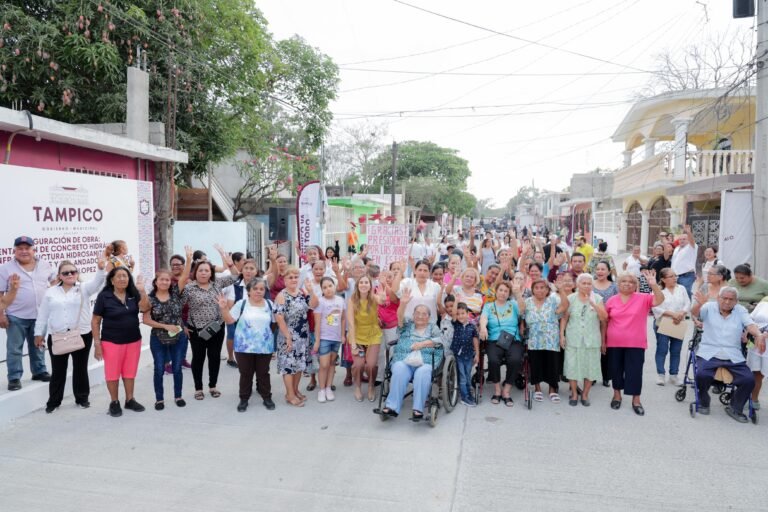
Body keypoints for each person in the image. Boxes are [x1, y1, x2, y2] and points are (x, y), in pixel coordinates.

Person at [34, 256, 108, 413]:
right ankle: (54, 402)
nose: (69, 275)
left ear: (77, 273)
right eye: (65, 273)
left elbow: (97, 282)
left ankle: (82, 398)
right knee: (58, 371)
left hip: (81, 334)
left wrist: (101, 269)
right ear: (59, 276)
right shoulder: (50, 292)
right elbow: (43, 315)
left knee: (80, 368)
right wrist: (38, 333)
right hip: (57, 336)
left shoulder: (84, 288)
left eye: (73, 272)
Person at [691, 287, 765, 422]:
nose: (727, 302)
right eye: (724, 298)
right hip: (709, 352)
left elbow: (750, 325)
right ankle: (704, 401)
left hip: (733, 355)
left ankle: (735, 407)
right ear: (718, 298)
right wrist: (699, 304)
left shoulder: (740, 310)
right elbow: (695, 314)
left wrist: (759, 335)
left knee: (749, 380)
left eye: (731, 299)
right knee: (702, 375)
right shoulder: (708, 307)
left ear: (736, 301)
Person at [181, 245, 241, 401]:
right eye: (200, 270)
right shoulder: (189, 288)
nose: (203, 273)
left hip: (216, 327)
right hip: (196, 330)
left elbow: (236, 276)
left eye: (206, 270)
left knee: (214, 358)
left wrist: (230, 264)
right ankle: (198, 388)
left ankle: (213, 386)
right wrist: (183, 325)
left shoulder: (217, 283)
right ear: (195, 272)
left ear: (211, 272)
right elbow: (178, 307)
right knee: (198, 359)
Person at [92, 267, 151, 417]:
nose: (123, 279)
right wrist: (97, 344)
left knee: (130, 372)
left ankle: (130, 400)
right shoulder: (104, 296)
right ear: (112, 280)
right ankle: (114, 402)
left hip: (133, 340)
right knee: (112, 373)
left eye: (125, 276)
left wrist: (142, 291)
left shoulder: (133, 293)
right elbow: (95, 321)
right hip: (111, 341)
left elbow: (145, 308)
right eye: (119, 276)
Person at [604, 270, 664, 416]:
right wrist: (603, 341)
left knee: (635, 371)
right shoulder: (611, 300)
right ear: (618, 284)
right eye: (624, 281)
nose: (627, 284)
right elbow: (605, 321)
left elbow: (660, 300)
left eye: (631, 282)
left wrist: (654, 285)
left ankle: (636, 400)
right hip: (614, 341)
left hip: (636, 342)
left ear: (636, 285)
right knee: (616, 370)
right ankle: (617, 395)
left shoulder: (643, 298)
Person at [0, 236, 55, 391]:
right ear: (14, 251)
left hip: (40, 315)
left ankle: (39, 371)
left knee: (38, 345)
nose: (24, 251)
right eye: (20, 248)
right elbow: (0, 293)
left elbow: (54, 281)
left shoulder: (44, 264)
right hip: (15, 316)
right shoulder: (5, 268)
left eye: (27, 248)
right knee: (14, 349)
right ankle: (14, 378)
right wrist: (1, 314)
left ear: (33, 250)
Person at [380, 291, 443, 420]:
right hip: (404, 359)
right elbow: (399, 318)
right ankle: (392, 406)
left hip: (425, 361)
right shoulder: (407, 326)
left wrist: (423, 344)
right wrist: (403, 304)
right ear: (413, 315)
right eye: (417, 313)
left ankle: (418, 409)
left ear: (429, 317)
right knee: (399, 369)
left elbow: (440, 341)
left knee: (422, 373)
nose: (420, 316)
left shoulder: (433, 328)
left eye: (424, 314)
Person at [219, 277, 276, 412]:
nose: (258, 291)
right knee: (246, 374)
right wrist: (224, 308)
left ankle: (266, 397)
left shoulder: (269, 304)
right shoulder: (242, 304)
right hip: (243, 347)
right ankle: (244, 399)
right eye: (255, 289)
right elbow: (229, 320)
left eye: (261, 289)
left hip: (264, 346)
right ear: (249, 291)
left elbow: (274, 323)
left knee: (263, 373)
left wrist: (267, 337)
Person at [142, 260, 191, 411]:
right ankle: (159, 399)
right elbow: (146, 319)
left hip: (178, 337)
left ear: (170, 282)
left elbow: (184, 277)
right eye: (161, 279)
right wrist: (165, 326)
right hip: (158, 338)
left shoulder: (176, 293)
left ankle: (178, 396)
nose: (164, 282)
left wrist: (189, 259)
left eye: (167, 280)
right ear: (156, 282)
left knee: (177, 367)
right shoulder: (150, 299)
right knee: (159, 368)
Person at [561, 273, 607, 406]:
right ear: (578, 284)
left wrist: (594, 304)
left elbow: (604, 318)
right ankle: (574, 393)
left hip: (592, 339)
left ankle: (585, 394)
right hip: (573, 338)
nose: (586, 286)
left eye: (589, 283)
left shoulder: (597, 298)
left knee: (590, 367)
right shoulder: (571, 298)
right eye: (584, 283)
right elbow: (564, 318)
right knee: (572, 366)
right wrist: (562, 335)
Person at [275, 267, 319, 407]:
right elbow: (279, 318)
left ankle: (295, 390)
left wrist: (311, 291)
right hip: (288, 337)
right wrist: (288, 337)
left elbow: (314, 305)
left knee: (299, 365)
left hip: (302, 336)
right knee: (289, 366)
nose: (294, 280)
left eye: (296, 277)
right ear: (284, 280)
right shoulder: (282, 296)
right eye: (290, 277)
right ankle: (290, 395)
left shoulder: (301, 292)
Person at [479, 281, 525, 406]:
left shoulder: (513, 304)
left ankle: (506, 390)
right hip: (494, 339)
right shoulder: (489, 306)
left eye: (506, 291)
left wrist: (518, 294)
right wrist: (483, 328)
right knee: (493, 360)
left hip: (513, 339)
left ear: (509, 294)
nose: (503, 293)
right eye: (501, 290)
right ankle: (497, 390)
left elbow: (522, 310)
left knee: (515, 359)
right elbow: (483, 318)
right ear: (496, 291)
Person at [524, 279, 569, 403]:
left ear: (547, 289)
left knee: (552, 364)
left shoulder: (553, 300)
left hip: (551, 338)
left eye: (542, 287)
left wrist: (561, 290)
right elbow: (522, 315)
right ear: (533, 290)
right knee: (536, 363)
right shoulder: (528, 302)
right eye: (536, 288)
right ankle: (537, 389)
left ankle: (552, 390)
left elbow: (565, 306)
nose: (539, 290)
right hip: (534, 338)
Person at [347, 275, 385, 402]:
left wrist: (382, 296)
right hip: (357, 336)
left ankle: (370, 386)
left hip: (373, 335)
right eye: (361, 282)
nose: (363, 285)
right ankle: (357, 387)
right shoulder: (352, 300)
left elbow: (381, 301)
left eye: (366, 282)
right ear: (357, 285)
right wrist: (353, 345)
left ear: (370, 286)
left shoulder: (373, 298)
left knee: (371, 365)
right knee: (358, 365)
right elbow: (351, 324)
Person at [651, 268, 691, 386]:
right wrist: (673, 314)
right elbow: (655, 307)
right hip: (663, 322)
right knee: (662, 349)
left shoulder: (681, 288)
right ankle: (661, 374)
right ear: (663, 279)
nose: (675, 278)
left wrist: (681, 313)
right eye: (671, 276)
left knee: (676, 350)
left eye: (675, 276)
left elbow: (687, 303)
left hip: (679, 322)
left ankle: (674, 375)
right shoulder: (658, 290)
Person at [222, 258, 261, 369]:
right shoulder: (234, 285)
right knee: (231, 334)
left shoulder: (260, 285)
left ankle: (249, 357)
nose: (248, 271)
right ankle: (231, 357)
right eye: (246, 268)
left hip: (253, 317)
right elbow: (230, 304)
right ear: (242, 270)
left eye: (251, 269)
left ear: (256, 271)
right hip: (235, 316)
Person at [313, 277, 346, 403]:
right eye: (325, 287)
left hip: (336, 338)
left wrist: (342, 335)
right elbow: (317, 323)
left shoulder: (340, 300)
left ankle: (328, 388)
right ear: (321, 290)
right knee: (324, 365)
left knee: (332, 364)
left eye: (330, 286)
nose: (328, 289)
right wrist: (317, 341)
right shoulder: (320, 302)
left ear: (334, 286)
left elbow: (343, 319)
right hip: (324, 338)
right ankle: (321, 389)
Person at [592, 261, 617, 387]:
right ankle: (592, 376)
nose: (600, 271)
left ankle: (606, 376)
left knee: (605, 348)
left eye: (603, 269)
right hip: (592, 320)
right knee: (593, 349)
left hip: (609, 321)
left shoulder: (614, 286)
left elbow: (618, 302)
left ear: (608, 271)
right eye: (598, 269)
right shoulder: (590, 284)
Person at [451, 303, 480, 407]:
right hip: (458, 355)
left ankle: (468, 394)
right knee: (462, 377)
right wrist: (456, 300)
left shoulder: (472, 327)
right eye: (458, 314)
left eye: (463, 313)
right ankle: (464, 397)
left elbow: (475, 340)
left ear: (468, 314)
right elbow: (453, 313)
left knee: (467, 376)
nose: (460, 316)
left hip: (469, 355)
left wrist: (477, 354)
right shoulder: (456, 324)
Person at [747, 297, 768, 410]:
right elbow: (751, 318)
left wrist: (764, 334)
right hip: (754, 340)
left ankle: (753, 398)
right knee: (753, 371)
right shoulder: (765, 300)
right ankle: (751, 398)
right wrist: (748, 332)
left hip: (764, 341)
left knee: (761, 373)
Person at [670, 224, 697, 298]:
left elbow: (692, 241)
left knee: (685, 294)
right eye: (680, 239)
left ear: (688, 240)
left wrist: (688, 232)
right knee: (676, 295)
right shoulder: (677, 248)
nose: (681, 240)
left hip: (686, 276)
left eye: (684, 239)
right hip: (675, 276)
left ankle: (687, 306)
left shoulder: (692, 247)